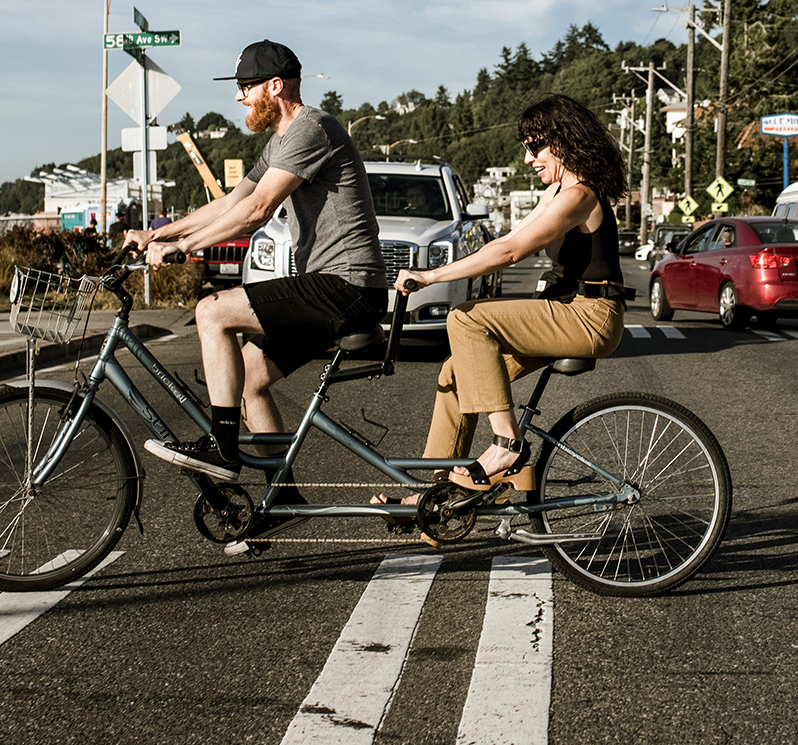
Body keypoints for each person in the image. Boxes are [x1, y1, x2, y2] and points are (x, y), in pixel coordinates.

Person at [132, 40, 386, 482]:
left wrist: (184, 248)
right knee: (248, 380)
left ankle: (222, 448)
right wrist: (159, 233)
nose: (238, 97)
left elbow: (257, 211)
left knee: (211, 312)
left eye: (245, 86)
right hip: (330, 286)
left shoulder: (312, 129)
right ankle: (281, 496)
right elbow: (234, 200)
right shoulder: (281, 141)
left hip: (347, 286)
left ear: (274, 85)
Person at [375, 93, 627, 514]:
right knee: (456, 375)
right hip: (568, 311)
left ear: (562, 141)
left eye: (534, 146)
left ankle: (506, 445)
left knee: (467, 319)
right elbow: (504, 242)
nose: (529, 158)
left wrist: (431, 276)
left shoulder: (580, 194)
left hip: (591, 316)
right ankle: (437, 495)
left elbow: (514, 252)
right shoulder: (558, 191)